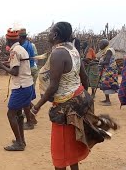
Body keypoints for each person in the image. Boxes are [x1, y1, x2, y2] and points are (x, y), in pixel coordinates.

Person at [31, 22, 118, 170]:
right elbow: (84, 77)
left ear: (56, 35)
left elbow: (53, 86)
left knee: (61, 151)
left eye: (51, 32)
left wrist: (36, 107)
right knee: (71, 147)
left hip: (65, 108)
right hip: (78, 100)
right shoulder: (73, 50)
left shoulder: (58, 53)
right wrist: (84, 98)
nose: (49, 35)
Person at [0, 28, 35, 151]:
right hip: (27, 85)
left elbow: (15, 72)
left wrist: (1, 66)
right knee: (18, 114)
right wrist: (4, 65)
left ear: (8, 40)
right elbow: (17, 66)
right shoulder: (21, 49)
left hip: (20, 86)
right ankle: (21, 140)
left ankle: (19, 143)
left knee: (11, 113)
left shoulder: (14, 51)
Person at [18, 28, 38, 129]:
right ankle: (31, 117)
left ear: (20, 37)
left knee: (26, 97)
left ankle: (31, 119)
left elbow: (21, 61)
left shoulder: (23, 47)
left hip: (29, 70)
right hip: (32, 69)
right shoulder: (28, 44)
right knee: (27, 96)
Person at [98, 39, 119, 106]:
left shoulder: (109, 50)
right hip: (107, 70)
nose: (99, 45)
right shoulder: (106, 51)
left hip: (109, 72)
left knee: (107, 84)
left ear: (104, 44)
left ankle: (108, 101)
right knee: (105, 84)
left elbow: (107, 61)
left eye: (100, 44)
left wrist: (100, 63)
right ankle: (107, 99)